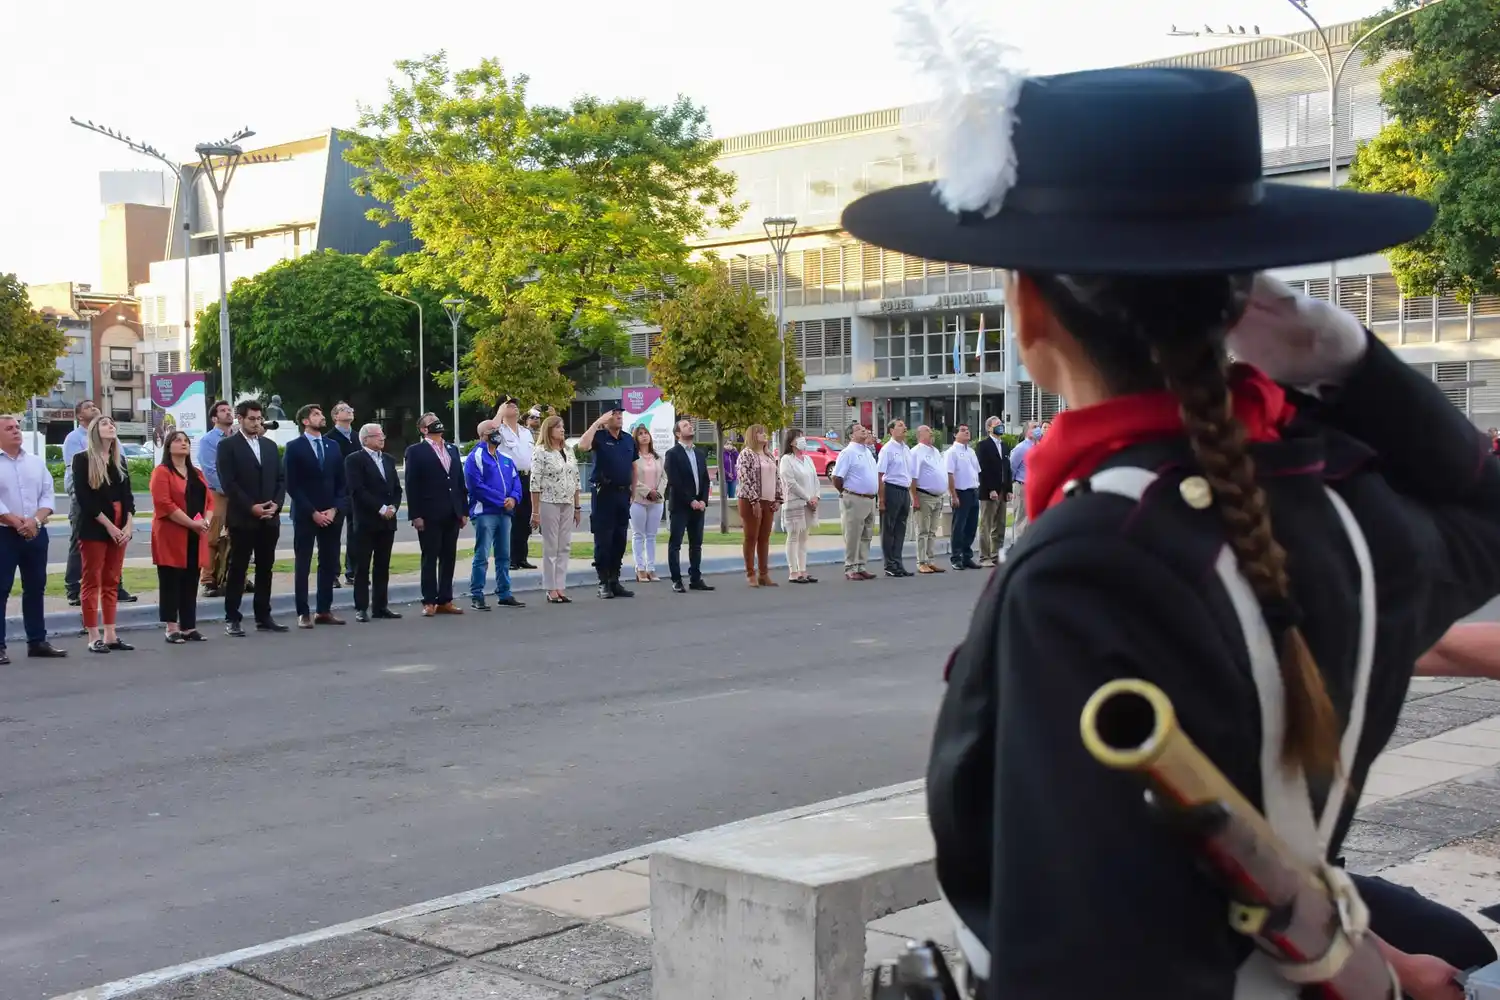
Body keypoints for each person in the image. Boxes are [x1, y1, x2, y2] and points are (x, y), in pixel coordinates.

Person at [842, 59, 1495, 999]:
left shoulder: (1092, 561)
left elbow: (1082, 964)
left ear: (1028, 307)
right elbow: (1487, 509)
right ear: (1243, 301)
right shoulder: (1344, 501)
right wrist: (1347, 362)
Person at [217, 400, 288, 637]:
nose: (257, 423)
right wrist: (251, 507)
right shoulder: (227, 446)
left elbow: (280, 479)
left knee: (265, 568)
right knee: (238, 568)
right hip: (243, 517)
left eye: (259, 419)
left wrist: (276, 505)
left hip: (269, 518)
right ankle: (232, 617)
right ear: (240, 419)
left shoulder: (269, 446)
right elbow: (229, 483)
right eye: (252, 419)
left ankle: (263, 616)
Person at [0, 414, 65, 663]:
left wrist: (35, 521)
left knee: (36, 588)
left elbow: (48, 495)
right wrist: (16, 522)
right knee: (1, 589)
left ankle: (37, 641)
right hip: (4, 533)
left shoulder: (36, 463)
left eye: (17, 427)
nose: (16, 431)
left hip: (36, 533)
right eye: (9, 428)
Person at [73, 416, 136, 654]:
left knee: (112, 580)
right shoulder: (82, 460)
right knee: (92, 580)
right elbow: (85, 499)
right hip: (95, 527)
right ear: (94, 431)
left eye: (112, 423)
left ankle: (111, 634)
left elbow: (128, 497)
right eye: (104, 423)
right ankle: (93, 635)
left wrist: (128, 524)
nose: (111, 426)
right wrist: (109, 526)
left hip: (120, 525)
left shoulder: (119, 461)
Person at [63, 399, 135, 607]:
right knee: (80, 542)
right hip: (84, 496)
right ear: (79, 416)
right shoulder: (74, 438)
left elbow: (120, 467)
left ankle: (115, 586)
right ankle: (74, 588)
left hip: (112, 497)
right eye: (87, 407)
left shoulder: (113, 439)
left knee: (116, 541)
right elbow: (72, 470)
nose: (93, 408)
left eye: (94, 405)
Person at [284, 404, 348, 629]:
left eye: (321, 414)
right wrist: (312, 512)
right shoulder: (294, 447)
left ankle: (324, 609)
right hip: (305, 514)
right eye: (316, 414)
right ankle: (303, 612)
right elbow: (293, 484)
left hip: (331, 514)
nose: (321, 417)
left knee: (329, 562)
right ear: (305, 421)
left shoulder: (332, 446)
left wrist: (334, 509)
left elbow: (342, 482)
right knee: (303, 563)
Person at [150, 429, 213, 643]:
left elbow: (210, 500)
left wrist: (206, 521)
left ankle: (189, 627)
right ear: (168, 446)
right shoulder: (162, 472)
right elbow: (164, 504)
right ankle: (171, 627)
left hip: (196, 534)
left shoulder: (197, 473)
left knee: (190, 579)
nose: (183, 444)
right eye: (177, 440)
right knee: (171, 580)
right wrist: (191, 523)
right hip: (171, 534)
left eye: (186, 441)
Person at [403, 412, 468, 617]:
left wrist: (463, 510)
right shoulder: (415, 451)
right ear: (423, 429)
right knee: (430, 557)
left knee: (449, 557)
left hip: (452, 512)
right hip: (429, 513)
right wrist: (416, 514)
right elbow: (412, 484)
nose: (438, 425)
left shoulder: (452, 449)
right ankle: (429, 600)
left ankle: (445, 599)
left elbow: (459, 482)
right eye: (432, 423)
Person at [344, 422, 403, 623]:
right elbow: (357, 490)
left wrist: (393, 507)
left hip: (387, 522)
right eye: (378, 435)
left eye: (383, 435)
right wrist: (380, 508)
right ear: (365, 439)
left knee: (382, 565)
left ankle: (380, 606)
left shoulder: (388, 459)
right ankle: (361, 607)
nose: (382, 438)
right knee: (362, 566)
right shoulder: (354, 460)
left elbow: (396, 488)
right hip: (366, 521)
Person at [464, 419, 525, 610]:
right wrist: (501, 500)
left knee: (504, 555)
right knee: (482, 554)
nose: (497, 432)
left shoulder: (505, 458)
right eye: (492, 430)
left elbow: (516, 483)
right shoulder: (476, 457)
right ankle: (477, 594)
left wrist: (513, 499)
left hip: (505, 514)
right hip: (485, 514)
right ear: (482, 435)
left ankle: (504, 593)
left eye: (497, 429)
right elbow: (475, 487)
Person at [577, 402, 635, 600]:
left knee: (620, 538)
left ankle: (614, 580)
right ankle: (603, 582)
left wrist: (633, 490)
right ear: (606, 417)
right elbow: (582, 445)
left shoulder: (627, 439)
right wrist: (597, 423)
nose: (619, 416)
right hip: (604, 494)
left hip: (623, 494)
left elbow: (633, 466)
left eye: (620, 414)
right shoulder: (599, 437)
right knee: (604, 539)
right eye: (615, 413)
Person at [530, 414, 582, 604]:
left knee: (564, 545)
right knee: (551, 545)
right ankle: (550, 587)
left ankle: (560, 586)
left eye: (562, 426)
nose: (562, 430)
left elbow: (576, 480)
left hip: (567, 501)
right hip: (549, 501)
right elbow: (534, 483)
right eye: (558, 427)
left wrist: (577, 506)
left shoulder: (568, 450)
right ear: (549, 430)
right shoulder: (541, 451)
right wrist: (535, 511)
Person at [664, 417, 714, 594]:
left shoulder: (699, 453)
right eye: (685, 425)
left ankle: (695, 578)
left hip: (698, 506)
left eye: (690, 424)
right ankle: (676, 580)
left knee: (696, 544)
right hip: (680, 506)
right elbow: (674, 481)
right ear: (678, 433)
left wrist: (702, 501)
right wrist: (690, 500)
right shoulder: (672, 454)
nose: (690, 426)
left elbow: (705, 480)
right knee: (675, 543)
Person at [492, 397, 537, 572]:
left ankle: (521, 556)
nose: (515, 408)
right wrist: (499, 413)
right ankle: (510, 557)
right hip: (509, 478)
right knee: (511, 518)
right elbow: (488, 431)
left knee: (525, 518)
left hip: (527, 477)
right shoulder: (499, 429)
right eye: (509, 405)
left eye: (516, 405)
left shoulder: (525, 432)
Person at [735, 424, 782, 588]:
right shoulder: (746, 454)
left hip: (768, 500)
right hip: (750, 500)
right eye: (760, 433)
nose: (764, 435)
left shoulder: (769, 455)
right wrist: (754, 501)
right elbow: (744, 478)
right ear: (753, 436)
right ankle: (750, 573)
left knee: (764, 538)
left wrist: (778, 498)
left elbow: (777, 477)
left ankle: (764, 573)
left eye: (765, 432)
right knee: (751, 536)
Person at [830, 424, 879, 581]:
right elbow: (837, 477)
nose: (864, 430)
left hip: (870, 498)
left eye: (864, 428)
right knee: (853, 534)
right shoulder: (848, 453)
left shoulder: (867, 452)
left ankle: (861, 565)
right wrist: (845, 493)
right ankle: (850, 566)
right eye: (859, 429)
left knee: (866, 535)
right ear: (851, 435)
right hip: (855, 497)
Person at [197, 399, 235, 597]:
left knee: (238, 536)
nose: (228, 413)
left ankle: (234, 577)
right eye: (223, 411)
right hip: (218, 493)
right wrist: (229, 490)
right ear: (214, 418)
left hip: (239, 495)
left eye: (230, 410)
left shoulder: (239, 437)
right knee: (213, 537)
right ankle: (208, 579)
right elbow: (210, 471)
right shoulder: (208, 440)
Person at [779, 428, 820, 584]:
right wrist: (807, 497)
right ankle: (793, 571)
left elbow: (815, 479)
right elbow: (790, 483)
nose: (803, 440)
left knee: (804, 537)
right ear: (791, 442)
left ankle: (803, 570)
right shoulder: (786, 460)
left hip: (809, 503)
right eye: (799, 437)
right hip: (795, 502)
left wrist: (816, 496)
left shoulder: (807, 459)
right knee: (793, 536)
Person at [326, 402, 360, 585]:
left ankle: (353, 571)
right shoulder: (329, 438)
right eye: (345, 409)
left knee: (356, 532)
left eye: (351, 409)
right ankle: (332, 574)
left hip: (356, 491)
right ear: (335, 416)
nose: (350, 411)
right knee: (333, 535)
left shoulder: (358, 437)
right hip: (338, 492)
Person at [908, 425, 949, 574]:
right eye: (928, 431)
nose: (932, 433)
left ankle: (931, 560)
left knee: (932, 531)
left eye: (932, 431)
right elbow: (913, 477)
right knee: (923, 531)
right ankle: (922, 561)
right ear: (920, 435)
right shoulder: (916, 452)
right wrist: (915, 498)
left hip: (937, 497)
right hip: (923, 495)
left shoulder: (935, 451)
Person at [876, 419, 913, 577]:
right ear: (891, 430)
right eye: (900, 426)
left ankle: (898, 562)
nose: (904, 428)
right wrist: (882, 499)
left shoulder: (906, 449)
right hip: (891, 489)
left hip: (904, 490)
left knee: (900, 529)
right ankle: (889, 564)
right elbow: (880, 475)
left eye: (905, 425)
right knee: (889, 529)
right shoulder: (887, 449)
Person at [629, 425, 666, 582]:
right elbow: (631, 479)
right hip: (638, 500)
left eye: (646, 433)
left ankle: (651, 568)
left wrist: (658, 493)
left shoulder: (657, 457)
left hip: (656, 501)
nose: (644, 436)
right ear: (636, 438)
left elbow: (664, 477)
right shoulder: (633, 457)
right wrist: (647, 491)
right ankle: (640, 567)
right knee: (638, 535)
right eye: (640, 434)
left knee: (651, 535)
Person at [975, 416, 1012, 565]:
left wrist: (1008, 489)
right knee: (986, 524)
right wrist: (990, 489)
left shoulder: (1004, 446)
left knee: (1000, 524)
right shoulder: (983, 445)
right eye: (997, 424)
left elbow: (1007, 469)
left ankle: (997, 554)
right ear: (989, 428)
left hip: (1003, 490)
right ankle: (984, 556)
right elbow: (983, 470)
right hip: (989, 491)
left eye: (1001, 424)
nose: (1000, 426)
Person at [944, 423, 981, 571]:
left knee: (971, 526)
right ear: (955, 434)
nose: (967, 432)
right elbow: (949, 474)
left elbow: (976, 471)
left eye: (967, 430)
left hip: (973, 491)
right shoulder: (951, 452)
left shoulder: (971, 451)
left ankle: (967, 556)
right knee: (959, 526)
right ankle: (956, 557)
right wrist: (953, 495)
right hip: (960, 492)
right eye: (962, 430)